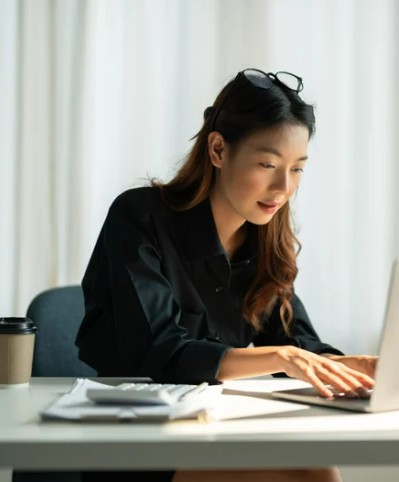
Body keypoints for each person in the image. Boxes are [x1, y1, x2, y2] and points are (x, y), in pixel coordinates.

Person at [75, 68, 377, 482]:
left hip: (212, 426)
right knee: (306, 473)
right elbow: (160, 351)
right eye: (268, 163)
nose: (283, 187)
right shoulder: (139, 216)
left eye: (297, 169)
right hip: (137, 439)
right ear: (218, 150)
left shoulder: (265, 240)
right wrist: (281, 359)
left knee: (315, 463)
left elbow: (296, 341)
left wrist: (354, 365)